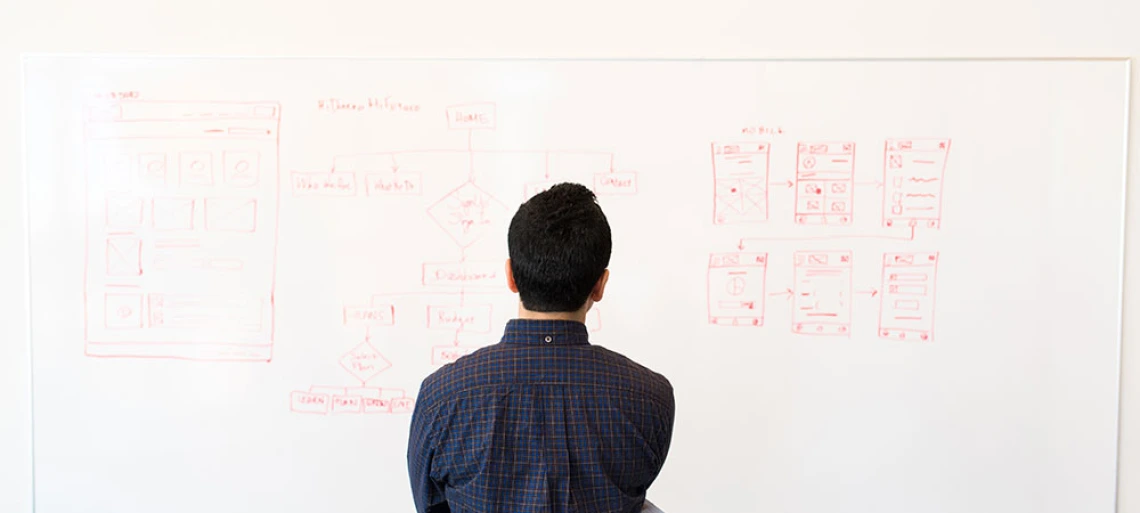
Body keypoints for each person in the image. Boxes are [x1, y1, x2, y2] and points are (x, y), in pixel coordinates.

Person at [406, 182, 676, 513]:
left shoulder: (442, 397)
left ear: (511, 276)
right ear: (600, 285)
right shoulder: (650, 397)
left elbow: (430, 505)